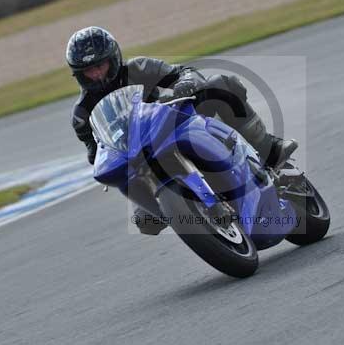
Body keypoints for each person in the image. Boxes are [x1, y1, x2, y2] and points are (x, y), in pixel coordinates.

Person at [66, 26, 298, 234]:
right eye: (88, 70)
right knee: (145, 220)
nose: (96, 74)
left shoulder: (139, 67)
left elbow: (183, 72)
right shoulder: (82, 114)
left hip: (171, 124)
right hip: (139, 160)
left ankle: (268, 147)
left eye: (99, 66)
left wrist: (185, 82)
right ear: (79, 74)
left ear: (113, 58)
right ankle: (177, 209)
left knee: (221, 84)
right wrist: (100, 159)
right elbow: (96, 152)